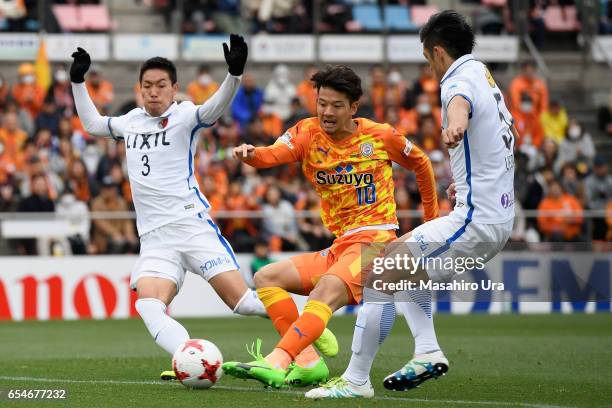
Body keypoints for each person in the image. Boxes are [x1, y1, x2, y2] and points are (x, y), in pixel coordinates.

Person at [307, 11, 517, 398]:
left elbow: (458, 105)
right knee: (401, 272)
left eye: (426, 58)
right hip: (495, 215)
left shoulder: (457, 80)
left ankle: (356, 381)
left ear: (437, 52)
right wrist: (467, 181)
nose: (429, 67)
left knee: (379, 271)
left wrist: (454, 124)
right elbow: (504, 137)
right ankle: (426, 351)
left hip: (475, 220)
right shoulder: (486, 78)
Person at [222, 64, 439, 389]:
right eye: (321, 103)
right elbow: (273, 154)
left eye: (336, 105)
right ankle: (308, 362)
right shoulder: (307, 133)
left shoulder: (379, 136)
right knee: (266, 278)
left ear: (353, 107)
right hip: (341, 246)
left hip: (376, 242)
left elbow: (421, 162)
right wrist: (252, 155)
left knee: (324, 292)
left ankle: (279, 360)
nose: (326, 111)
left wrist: (431, 221)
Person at [69, 35, 271, 379]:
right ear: (139, 88)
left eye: (161, 85)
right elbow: (91, 124)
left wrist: (234, 74)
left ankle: (309, 327)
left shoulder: (185, 116)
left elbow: (213, 109)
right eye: (147, 85)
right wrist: (77, 82)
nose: (153, 91)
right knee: (148, 304)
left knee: (244, 303)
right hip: (156, 239)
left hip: (191, 227)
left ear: (174, 88)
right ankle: (188, 359)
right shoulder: (130, 121)